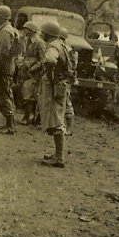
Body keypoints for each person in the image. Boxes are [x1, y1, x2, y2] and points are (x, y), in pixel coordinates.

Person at [38, 21, 74, 168]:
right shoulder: (61, 44)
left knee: (55, 119)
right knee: (57, 117)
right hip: (61, 85)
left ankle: (59, 157)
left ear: (48, 34)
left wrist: (51, 77)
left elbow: (49, 61)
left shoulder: (53, 46)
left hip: (54, 87)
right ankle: (57, 154)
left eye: (43, 32)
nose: (41, 34)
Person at [0, 5, 20, 135]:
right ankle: (9, 124)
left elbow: (2, 54)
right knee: (7, 94)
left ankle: (9, 126)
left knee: (3, 95)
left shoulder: (4, 32)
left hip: (3, 67)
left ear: (2, 18)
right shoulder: (11, 30)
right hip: (9, 66)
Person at [18, 21, 45, 125]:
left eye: (27, 29)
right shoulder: (26, 41)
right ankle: (30, 117)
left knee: (29, 94)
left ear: (32, 31)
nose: (25, 31)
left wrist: (33, 68)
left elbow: (42, 60)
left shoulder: (39, 43)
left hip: (35, 73)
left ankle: (28, 117)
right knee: (26, 94)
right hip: (26, 71)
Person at [59, 26, 78, 136]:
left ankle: (69, 129)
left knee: (66, 103)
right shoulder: (65, 49)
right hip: (62, 79)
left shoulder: (68, 50)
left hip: (64, 80)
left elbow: (71, 68)